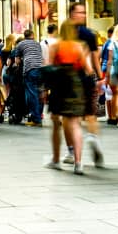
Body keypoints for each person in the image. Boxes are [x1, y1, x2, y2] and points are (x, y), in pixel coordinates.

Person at [45, 22, 92, 174]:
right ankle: (78, 162)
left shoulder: (55, 46)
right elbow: (88, 70)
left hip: (59, 84)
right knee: (75, 124)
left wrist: (45, 90)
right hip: (75, 83)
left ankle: (56, 160)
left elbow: (49, 67)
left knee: (55, 121)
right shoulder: (79, 47)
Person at [67, 2, 104, 167]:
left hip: (70, 79)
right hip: (87, 77)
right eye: (80, 13)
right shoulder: (89, 34)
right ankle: (92, 138)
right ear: (73, 14)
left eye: (84, 12)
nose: (83, 15)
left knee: (70, 117)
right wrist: (100, 77)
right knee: (91, 114)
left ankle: (71, 152)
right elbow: (95, 58)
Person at [16, 29, 44, 126]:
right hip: (41, 69)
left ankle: (36, 120)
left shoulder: (20, 44)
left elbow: (17, 61)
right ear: (33, 35)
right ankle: (39, 115)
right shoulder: (37, 44)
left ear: (24, 36)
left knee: (32, 95)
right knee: (40, 93)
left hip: (30, 70)